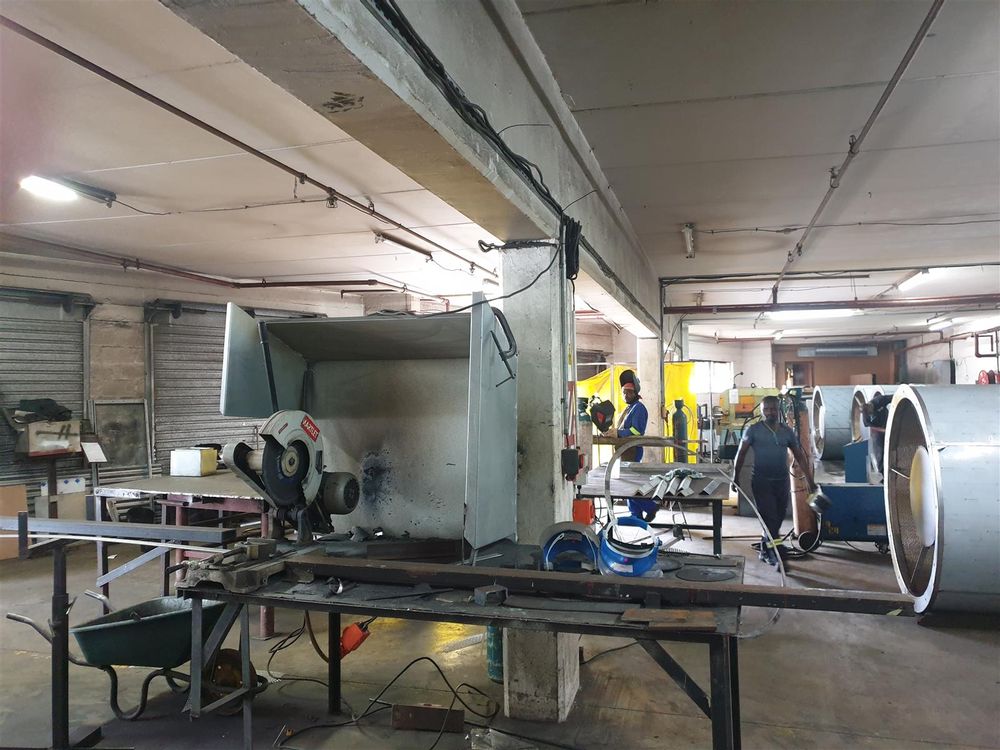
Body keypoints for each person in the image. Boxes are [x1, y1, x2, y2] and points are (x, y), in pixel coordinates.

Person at [733, 395, 817, 566]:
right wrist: (735, 478)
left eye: (773, 409)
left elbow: (799, 456)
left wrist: (810, 480)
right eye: (767, 409)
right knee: (770, 519)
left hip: (781, 482)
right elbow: (740, 454)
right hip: (761, 482)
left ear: (779, 410)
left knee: (777, 518)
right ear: (762, 411)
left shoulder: (787, 432)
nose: (770, 412)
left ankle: (766, 549)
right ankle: (776, 554)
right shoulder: (753, 430)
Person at [607, 370, 653, 521]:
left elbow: (636, 431)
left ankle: (651, 507)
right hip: (625, 450)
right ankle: (636, 515)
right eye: (624, 392)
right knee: (627, 484)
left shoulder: (638, 408)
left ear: (635, 393)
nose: (626, 395)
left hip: (632, 450)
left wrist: (619, 433)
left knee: (628, 485)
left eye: (629, 392)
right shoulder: (628, 409)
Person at [863, 392, 893, 477]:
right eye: (869, 414)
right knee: (880, 453)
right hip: (877, 432)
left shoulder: (879, 400)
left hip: (886, 425)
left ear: (870, 406)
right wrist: (882, 430)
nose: (871, 414)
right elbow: (868, 425)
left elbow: (893, 397)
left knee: (891, 449)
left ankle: (891, 471)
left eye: (871, 412)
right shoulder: (865, 412)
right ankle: (882, 475)